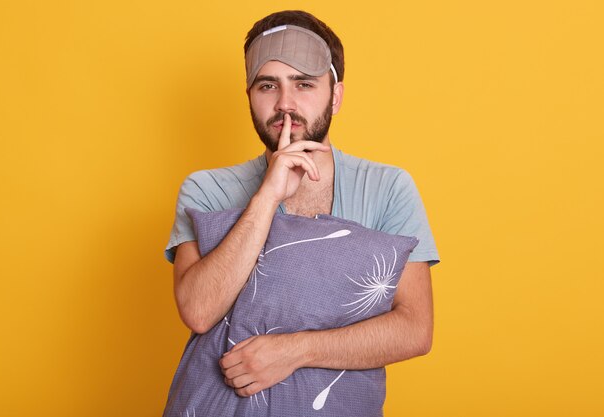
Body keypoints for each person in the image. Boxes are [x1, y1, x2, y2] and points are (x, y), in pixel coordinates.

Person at [163, 10, 439, 415]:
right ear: (249, 97)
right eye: (268, 85)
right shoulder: (207, 189)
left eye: (304, 84)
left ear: (336, 95)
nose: (285, 104)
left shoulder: (387, 189)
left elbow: (415, 330)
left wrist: (295, 350)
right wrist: (267, 197)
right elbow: (199, 311)